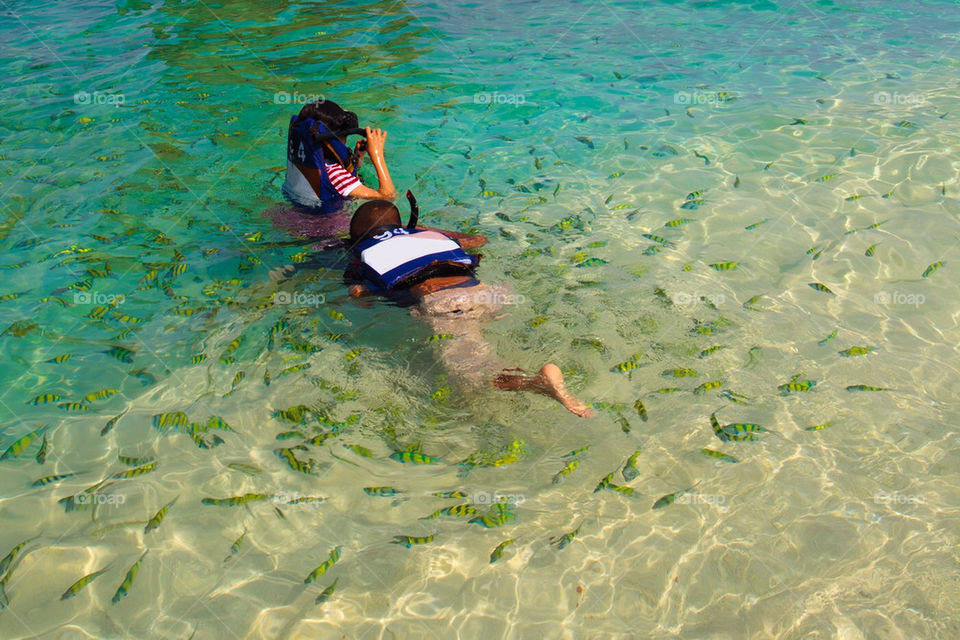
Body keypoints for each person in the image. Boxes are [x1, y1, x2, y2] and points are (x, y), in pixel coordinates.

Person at [343, 199, 593, 417]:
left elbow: (359, 298)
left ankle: (537, 383)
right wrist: (416, 229)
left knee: (475, 379)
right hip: (486, 293)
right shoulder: (432, 236)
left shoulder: (362, 256)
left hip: (447, 304)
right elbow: (478, 240)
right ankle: (529, 381)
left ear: (358, 238)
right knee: (480, 356)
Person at [282, 100, 396, 214]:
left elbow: (339, 183)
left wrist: (357, 159)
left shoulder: (305, 161)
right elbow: (388, 196)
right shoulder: (336, 174)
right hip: (331, 229)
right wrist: (377, 155)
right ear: (332, 139)